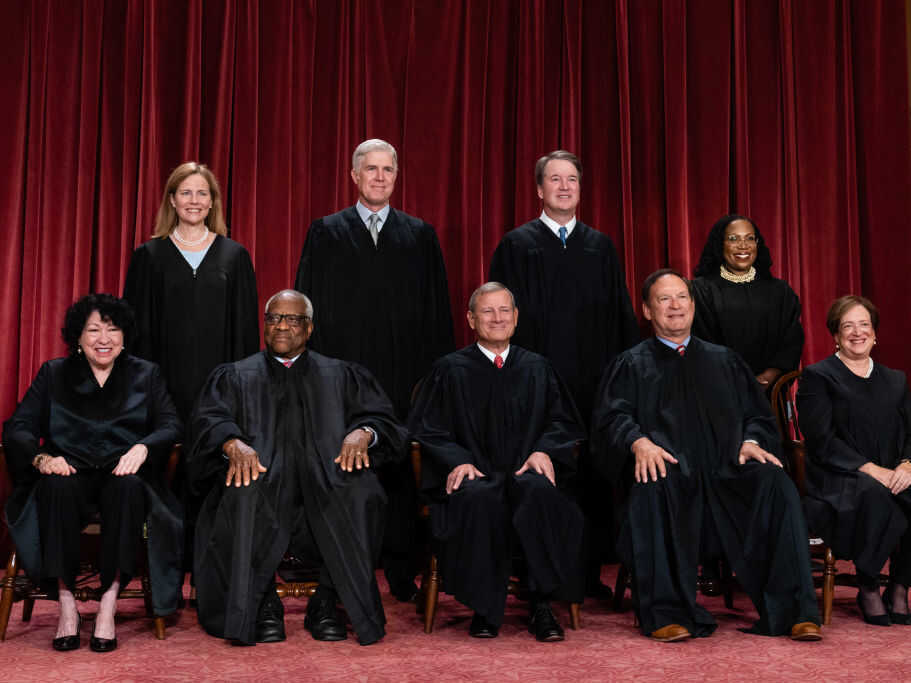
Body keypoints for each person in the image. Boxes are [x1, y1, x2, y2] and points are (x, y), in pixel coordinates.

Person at [592, 269, 822, 642]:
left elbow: (757, 416)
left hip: (727, 472)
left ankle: (794, 612)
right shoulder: (631, 364)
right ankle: (667, 611)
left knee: (775, 483)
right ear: (648, 311)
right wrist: (638, 442)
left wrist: (751, 440)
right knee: (651, 483)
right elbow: (611, 418)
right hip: (671, 475)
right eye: (663, 299)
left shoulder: (724, 361)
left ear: (693, 305)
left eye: (681, 297)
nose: (675, 306)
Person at [187, 290, 406, 646]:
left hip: (327, 481)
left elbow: (384, 420)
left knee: (363, 492)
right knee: (241, 490)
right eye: (274, 319)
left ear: (309, 327)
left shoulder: (341, 375)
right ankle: (259, 605)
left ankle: (327, 602)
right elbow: (208, 420)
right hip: (264, 482)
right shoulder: (236, 376)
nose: (282, 327)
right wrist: (231, 442)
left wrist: (363, 433)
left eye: (292, 319)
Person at [294, 138, 454, 600]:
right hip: (342, 378)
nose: (380, 177)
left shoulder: (419, 235)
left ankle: (402, 570)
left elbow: (436, 313)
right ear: (354, 176)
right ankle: (341, 571)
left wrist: (433, 378)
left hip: (404, 375)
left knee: (401, 473)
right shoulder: (325, 232)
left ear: (396, 176)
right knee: (344, 470)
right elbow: (307, 310)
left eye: (388, 170)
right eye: (371, 170)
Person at [488, 149, 639, 597]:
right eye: (555, 179)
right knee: (543, 474)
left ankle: (586, 575)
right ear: (539, 189)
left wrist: (623, 380)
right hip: (535, 386)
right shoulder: (517, 245)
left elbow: (620, 317)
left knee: (592, 479)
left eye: (572, 179)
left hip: (593, 383)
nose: (564, 186)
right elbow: (499, 321)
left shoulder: (601, 246)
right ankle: (536, 576)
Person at [2, 294, 183, 652]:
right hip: (69, 469)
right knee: (56, 487)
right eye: (94, 330)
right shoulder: (54, 373)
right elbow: (18, 427)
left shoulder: (146, 374)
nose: (104, 339)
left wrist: (144, 446)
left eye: (112, 330)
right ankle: (67, 605)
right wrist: (41, 458)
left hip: (122, 471)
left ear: (125, 336)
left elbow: (171, 424)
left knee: (129, 489)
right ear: (78, 337)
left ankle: (108, 604)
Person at [409, 282, 585, 641]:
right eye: (487, 311)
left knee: (540, 494)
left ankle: (541, 604)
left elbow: (564, 422)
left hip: (526, 470)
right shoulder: (449, 369)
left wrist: (544, 451)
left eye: (505, 310)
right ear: (471, 319)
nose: (497, 318)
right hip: (477, 472)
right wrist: (456, 460)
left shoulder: (538, 368)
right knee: (476, 498)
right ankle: (484, 608)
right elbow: (427, 428)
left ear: (516, 318)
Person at [123, 161, 260, 594]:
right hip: (163, 388)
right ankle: (162, 578)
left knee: (213, 476)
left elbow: (245, 333)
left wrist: (241, 392)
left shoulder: (234, 256)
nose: (195, 201)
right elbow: (135, 331)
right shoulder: (148, 256)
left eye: (203, 194)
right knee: (164, 477)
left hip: (219, 391)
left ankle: (210, 579)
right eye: (186, 193)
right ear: (171, 200)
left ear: (213, 202)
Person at [797, 295, 911, 626]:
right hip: (838, 477)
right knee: (875, 495)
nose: (857, 332)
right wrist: (873, 470)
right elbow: (821, 440)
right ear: (835, 335)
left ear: (875, 334)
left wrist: (906, 465)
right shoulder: (818, 377)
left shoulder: (896, 380)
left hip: (894, 472)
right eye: (847, 326)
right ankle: (869, 584)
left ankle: (901, 585)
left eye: (864, 325)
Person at [692, 214, 804, 391]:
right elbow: (701, 341)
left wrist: (769, 377)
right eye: (733, 239)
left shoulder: (779, 291)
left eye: (749, 238)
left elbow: (791, 340)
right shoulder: (701, 290)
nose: (743, 245)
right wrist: (735, 380)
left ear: (757, 244)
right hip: (719, 389)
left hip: (769, 392)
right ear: (720, 244)